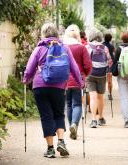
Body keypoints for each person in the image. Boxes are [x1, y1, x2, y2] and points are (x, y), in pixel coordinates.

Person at [23, 23, 84, 158]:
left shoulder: (39, 49)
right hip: (58, 86)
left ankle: (50, 149)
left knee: (46, 116)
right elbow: (74, 67)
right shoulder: (64, 48)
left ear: (43, 34)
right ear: (57, 34)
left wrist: (25, 79)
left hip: (40, 86)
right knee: (58, 114)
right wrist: (80, 83)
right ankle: (61, 141)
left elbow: (29, 68)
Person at [63, 25, 92, 140]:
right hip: (77, 78)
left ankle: (71, 125)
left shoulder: (62, 47)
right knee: (77, 104)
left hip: (63, 80)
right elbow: (88, 65)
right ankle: (74, 124)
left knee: (68, 104)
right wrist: (85, 74)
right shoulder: (82, 48)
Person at [86, 28, 112, 128]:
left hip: (90, 75)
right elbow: (109, 62)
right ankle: (101, 117)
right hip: (102, 74)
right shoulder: (105, 48)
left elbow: (85, 61)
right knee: (100, 97)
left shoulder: (87, 47)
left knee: (93, 97)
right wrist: (108, 73)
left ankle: (93, 120)